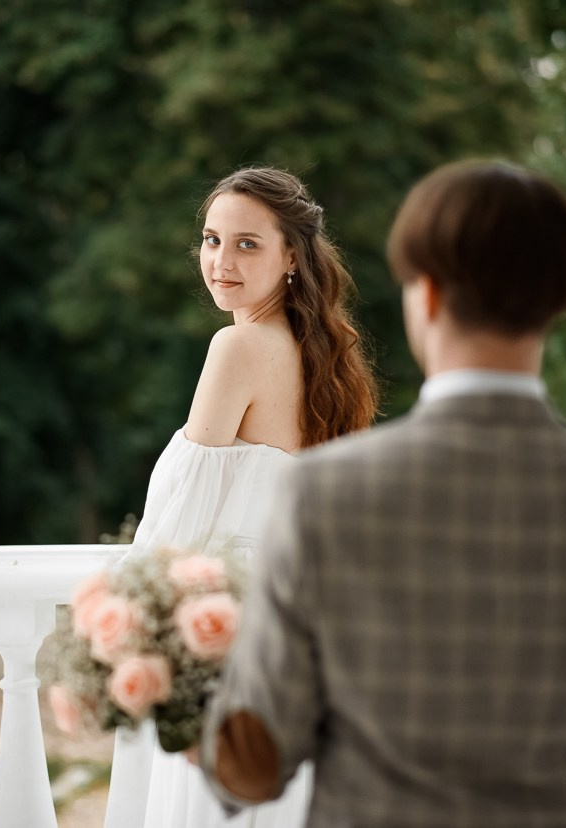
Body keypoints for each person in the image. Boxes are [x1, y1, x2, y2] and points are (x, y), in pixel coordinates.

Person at [199, 160, 566, 828]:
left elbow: (254, 764)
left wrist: (190, 723)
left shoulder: (326, 495)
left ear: (428, 297)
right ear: (560, 298)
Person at [102, 166, 378, 828]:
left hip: (223, 641)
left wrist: (124, 622)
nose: (220, 261)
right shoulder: (327, 366)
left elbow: (180, 521)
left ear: (291, 257)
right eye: (210, 239)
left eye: (247, 243)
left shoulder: (238, 347)